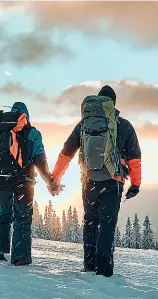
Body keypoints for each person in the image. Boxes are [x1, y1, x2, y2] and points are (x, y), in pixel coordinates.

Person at [51, 85, 142, 277]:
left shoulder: (84, 124)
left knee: (90, 222)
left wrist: (56, 177)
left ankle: (89, 266)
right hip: (113, 181)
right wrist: (135, 184)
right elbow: (134, 158)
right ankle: (104, 270)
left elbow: (66, 153)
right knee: (107, 225)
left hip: (89, 180)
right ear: (113, 104)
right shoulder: (123, 125)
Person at [0, 102, 62, 265]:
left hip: (2, 180)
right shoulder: (33, 133)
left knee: (2, 215)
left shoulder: (2, 130)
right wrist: (50, 181)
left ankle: (0, 252)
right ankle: (20, 258)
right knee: (22, 217)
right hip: (24, 182)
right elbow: (40, 160)